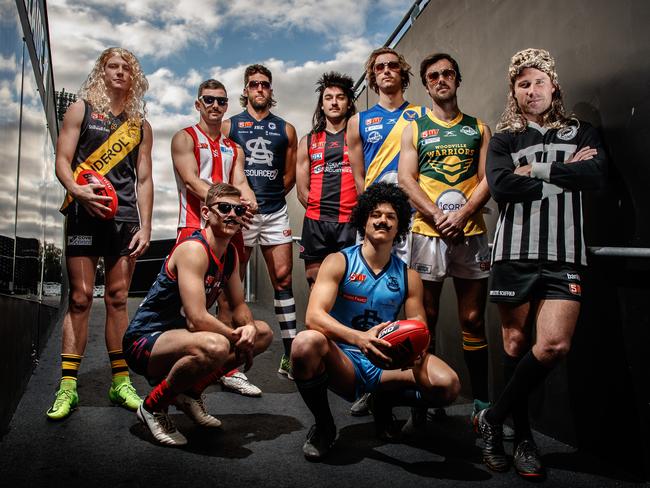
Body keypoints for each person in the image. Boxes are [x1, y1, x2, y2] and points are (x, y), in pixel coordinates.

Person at [477, 48, 607, 478]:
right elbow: (500, 186)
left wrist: (536, 172)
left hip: (565, 255)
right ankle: (525, 439)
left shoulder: (582, 131)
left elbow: (597, 177)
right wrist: (563, 171)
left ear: (554, 84)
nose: (532, 90)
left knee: (553, 346)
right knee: (514, 345)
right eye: (522, 83)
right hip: (513, 254)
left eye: (538, 81)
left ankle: (493, 419)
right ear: (514, 91)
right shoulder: (504, 139)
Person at [291, 182, 460, 460]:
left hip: (385, 362)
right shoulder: (338, 261)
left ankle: (384, 400)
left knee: (448, 386)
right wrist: (360, 339)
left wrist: (415, 354)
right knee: (304, 343)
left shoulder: (409, 277)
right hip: (344, 360)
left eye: (391, 216)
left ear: (400, 226)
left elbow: (420, 326)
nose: (383, 220)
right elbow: (313, 317)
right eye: (376, 214)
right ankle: (324, 426)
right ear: (364, 221)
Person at [123, 182, 273, 446]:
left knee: (262, 333)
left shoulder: (230, 254)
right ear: (206, 213)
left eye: (238, 210)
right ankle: (153, 407)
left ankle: (191, 393)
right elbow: (197, 318)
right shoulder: (194, 249)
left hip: (185, 338)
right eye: (224, 208)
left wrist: (248, 328)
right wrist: (236, 336)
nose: (232, 215)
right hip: (145, 340)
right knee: (216, 344)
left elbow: (238, 305)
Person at [48, 47, 153, 420]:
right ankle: (68, 387)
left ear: (134, 75)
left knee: (118, 299)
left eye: (127, 67)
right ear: (102, 71)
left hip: (124, 219)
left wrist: (146, 224)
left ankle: (120, 381)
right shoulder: (80, 109)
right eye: (113, 66)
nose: (120, 72)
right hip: (83, 212)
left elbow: (143, 178)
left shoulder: (140, 124)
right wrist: (75, 190)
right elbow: (62, 160)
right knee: (79, 298)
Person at [398, 53, 492, 427]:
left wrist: (464, 213)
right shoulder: (416, 128)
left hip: (469, 232)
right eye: (433, 76)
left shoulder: (478, 128)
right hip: (427, 232)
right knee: (427, 319)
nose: (441, 80)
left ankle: (482, 404)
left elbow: (488, 178)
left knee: (472, 319)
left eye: (447, 73)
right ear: (426, 84)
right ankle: (425, 401)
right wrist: (438, 216)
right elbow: (407, 179)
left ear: (457, 78)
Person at [346, 47, 427, 415]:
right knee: (372, 297)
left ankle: (416, 385)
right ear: (372, 75)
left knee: (414, 302)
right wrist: (370, 218)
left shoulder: (421, 115)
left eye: (394, 65)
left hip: (415, 219)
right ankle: (370, 379)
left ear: (403, 72)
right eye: (379, 67)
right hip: (379, 221)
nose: (387, 71)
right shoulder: (358, 121)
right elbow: (360, 178)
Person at [172, 79, 262, 397]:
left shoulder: (233, 148)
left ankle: (228, 368)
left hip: (229, 226)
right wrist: (226, 205)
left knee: (227, 298)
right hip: (194, 226)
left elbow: (241, 182)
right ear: (198, 104)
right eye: (208, 100)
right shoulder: (184, 138)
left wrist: (249, 200)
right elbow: (192, 181)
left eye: (221, 102)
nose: (215, 106)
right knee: (188, 305)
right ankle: (182, 368)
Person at [222, 64, 298, 380]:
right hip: (241, 216)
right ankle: (227, 358)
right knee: (232, 282)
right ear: (246, 90)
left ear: (271, 90)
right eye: (254, 84)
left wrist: (268, 197)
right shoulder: (229, 126)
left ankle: (292, 355)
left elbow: (290, 175)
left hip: (274, 211)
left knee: (282, 278)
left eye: (265, 84)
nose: (259, 89)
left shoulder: (286, 129)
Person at [296, 72, 358, 288]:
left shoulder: (359, 137)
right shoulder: (308, 141)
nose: (334, 102)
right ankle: (316, 323)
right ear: (321, 105)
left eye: (340, 97)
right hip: (316, 223)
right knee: (316, 283)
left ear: (349, 103)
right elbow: (302, 191)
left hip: (350, 223)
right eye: (328, 97)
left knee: (349, 285)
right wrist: (320, 208)